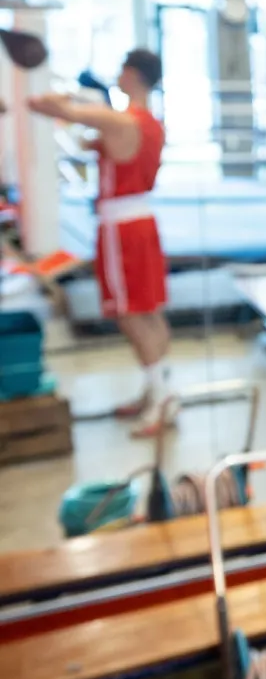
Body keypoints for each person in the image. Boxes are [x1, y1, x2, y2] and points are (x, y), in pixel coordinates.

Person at [31, 49, 175, 437]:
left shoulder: (121, 120)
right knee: (150, 311)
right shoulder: (148, 125)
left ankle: (159, 399)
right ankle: (159, 392)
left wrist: (50, 96)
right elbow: (84, 135)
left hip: (122, 229)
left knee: (132, 314)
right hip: (142, 222)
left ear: (131, 75)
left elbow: (58, 110)